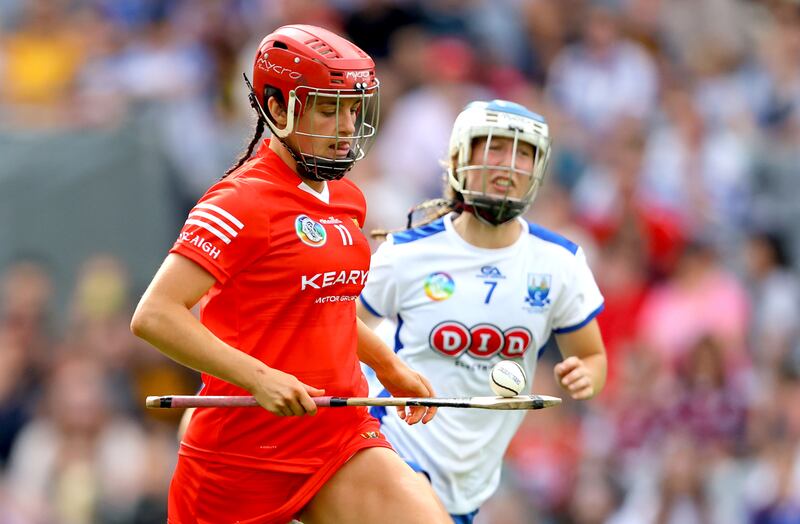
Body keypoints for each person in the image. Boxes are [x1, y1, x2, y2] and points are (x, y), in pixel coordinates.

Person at [130, 24, 450, 524]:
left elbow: (328, 307)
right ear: (277, 109)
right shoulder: (241, 200)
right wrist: (259, 378)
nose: (346, 126)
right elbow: (155, 315)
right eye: (328, 109)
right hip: (239, 455)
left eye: (351, 109)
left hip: (337, 435)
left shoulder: (346, 198)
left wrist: (388, 366)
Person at [357, 99, 608, 522]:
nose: (508, 164)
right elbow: (340, 327)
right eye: (494, 147)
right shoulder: (406, 254)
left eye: (523, 153)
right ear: (459, 158)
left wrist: (588, 376)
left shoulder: (560, 263)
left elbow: (593, 356)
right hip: (391, 440)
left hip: (468, 482)